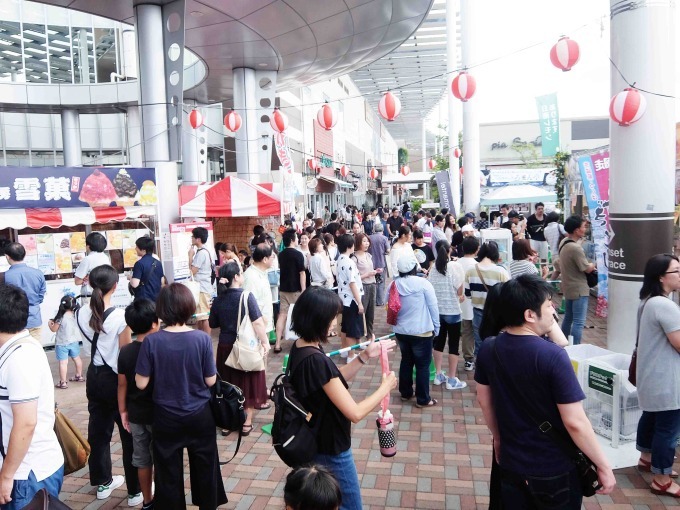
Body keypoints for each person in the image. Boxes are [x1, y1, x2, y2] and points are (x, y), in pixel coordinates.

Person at [475, 275, 615, 508]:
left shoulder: (489, 347)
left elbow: (484, 401)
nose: (553, 311)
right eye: (548, 305)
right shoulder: (552, 356)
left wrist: (498, 439)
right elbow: (575, 422)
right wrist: (603, 465)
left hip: (512, 463)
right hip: (553, 469)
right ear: (530, 315)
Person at [287, 287, 397, 510]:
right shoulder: (314, 360)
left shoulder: (301, 348)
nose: (335, 325)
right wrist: (384, 388)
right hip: (331, 448)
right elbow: (354, 413)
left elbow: (331, 381)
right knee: (350, 505)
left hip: (318, 440)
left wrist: (365, 356)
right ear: (317, 321)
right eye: (331, 319)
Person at [136, 284, 226, 509]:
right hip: (200, 414)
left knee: (167, 473)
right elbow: (210, 381)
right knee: (206, 467)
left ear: (161, 310)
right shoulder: (202, 339)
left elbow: (141, 382)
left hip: (166, 417)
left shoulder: (151, 341)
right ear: (189, 307)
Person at [76, 265, 140, 504]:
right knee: (128, 435)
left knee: (98, 432)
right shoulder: (120, 317)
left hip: (94, 379)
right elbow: (124, 354)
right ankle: (135, 490)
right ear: (115, 286)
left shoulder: (82, 312)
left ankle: (103, 483)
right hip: (116, 381)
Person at [0, 284, 63, 509]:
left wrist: (6, 476)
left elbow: (26, 423)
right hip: (24, 470)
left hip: (26, 473)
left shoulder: (20, 358)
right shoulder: (18, 348)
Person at [635, 254, 680, 497]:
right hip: (667, 377)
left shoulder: (648, 301)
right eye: (676, 270)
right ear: (661, 276)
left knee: (652, 417)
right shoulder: (664, 305)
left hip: (651, 374)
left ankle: (646, 457)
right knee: (668, 429)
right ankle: (661, 478)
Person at [209, 262, 270, 436]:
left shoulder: (219, 299)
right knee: (249, 382)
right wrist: (265, 342)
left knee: (228, 384)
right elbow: (257, 322)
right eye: (241, 273)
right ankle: (246, 422)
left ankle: (228, 422)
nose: (242, 275)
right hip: (245, 347)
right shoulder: (246, 296)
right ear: (236, 277)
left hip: (225, 347)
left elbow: (213, 324)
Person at [118, 299, 159, 510]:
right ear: (154, 323)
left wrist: (123, 410)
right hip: (158, 414)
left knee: (142, 458)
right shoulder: (159, 347)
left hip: (136, 415)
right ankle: (163, 498)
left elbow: (122, 385)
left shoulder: (125, 352)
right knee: (160, 456)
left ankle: (147, 500)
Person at [392, 256, 440, 407]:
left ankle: (405, 393)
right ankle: (423, 399)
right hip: (422, 331)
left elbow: (391, 305)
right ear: (414, 268)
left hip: (401, 330)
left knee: (406, 360)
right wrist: (436, 327)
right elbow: (433, 306)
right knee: (422, 365)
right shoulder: (423, 284)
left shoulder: (394, 284)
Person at [428, 240, 466, 390]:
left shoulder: (433, 268)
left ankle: (438, 375)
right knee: (454, 345)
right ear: (450, 249)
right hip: (453, 312)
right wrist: (461, 296)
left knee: (438, 342)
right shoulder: (455, 267)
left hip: (438, 311)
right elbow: (460, 292)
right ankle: (451, 379)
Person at [464, 242, 509, 360]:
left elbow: (468, 294)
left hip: (478, 312)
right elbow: (508, 295)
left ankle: (481, 369)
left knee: (480, 344)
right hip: (496, 313)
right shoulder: (501, 272)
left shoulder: (470, 270)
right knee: (497, 342)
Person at [559, 216, 596, 345]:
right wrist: (595, 264)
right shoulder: (575, 248)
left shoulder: (564, 242)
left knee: (568, 318)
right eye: (583, 227)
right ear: (576, 230)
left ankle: (563, 343)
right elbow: (586, 268)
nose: (585, 229)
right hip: (579, 288)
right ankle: (576, 347)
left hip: (568, 286)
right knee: (579, 322)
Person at [4, 242, 46, 341]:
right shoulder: (38, 273)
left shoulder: (4, 277)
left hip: (14, 321)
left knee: (18, 352)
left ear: (7, 257)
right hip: (35, 319)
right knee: (35, 350)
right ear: (24, 254)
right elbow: (41, 296)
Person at [275, 229, 306, 353]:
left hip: (283, 289)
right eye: (297, 238)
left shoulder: (281, 254)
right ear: (293, 240)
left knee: (282, 315)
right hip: (295, 290)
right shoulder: (298, 254)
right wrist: (303, 289)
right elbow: (302, 273)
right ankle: (302, 342)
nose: (298, 240)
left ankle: (277, 343)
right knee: (300, 315)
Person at [336, 234, 364, 363]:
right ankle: (351, 355)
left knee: (345, 327)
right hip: (352, 299)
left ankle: (345, 350)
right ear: (349, 246)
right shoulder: (349, 262)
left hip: (343, 297)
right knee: (351, 329)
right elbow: (353, 283)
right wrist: (359, 302)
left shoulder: (340, 260)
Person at [48, 295, 84, 389]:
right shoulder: (75, 315)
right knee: (77, 359)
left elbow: (54, 329)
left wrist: (50, 324)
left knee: (63, 363)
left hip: (62, 343)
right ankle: (79, 376)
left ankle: (63, 382)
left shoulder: (61, 317)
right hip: (74, 342)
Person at [242, 242, 275, 343]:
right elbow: (250, 306)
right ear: (265, 259)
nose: (273, 258)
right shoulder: (251, 277)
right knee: (259, 356)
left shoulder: (262, 272)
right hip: (256, 329)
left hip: (264, 326)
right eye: (272, 256)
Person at [458, 237, 480, 372]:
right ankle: (480, 359)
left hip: (461, 305)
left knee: (466, 333)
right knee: (479, 333)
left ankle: (468, 360)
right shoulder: (478, 265)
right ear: (477, 249)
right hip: (478, 305)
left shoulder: (455, 263)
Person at [352, 234, 378, 341]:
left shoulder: (368, 255)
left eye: (367, 241)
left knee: (371, 313)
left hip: (372, 285)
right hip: (362, 287)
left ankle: (369, 336)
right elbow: (353, 278)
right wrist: (367, 275)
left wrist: (375, 272)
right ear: (358, 243)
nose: (366, 243)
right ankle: (358, 338)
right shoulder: (354, 258)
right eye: (364, 241)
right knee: (361, 313)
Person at [188, 227, 214, 335]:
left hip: (202, 288)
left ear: (198, 239)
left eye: (193, 237)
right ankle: (202, 337)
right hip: (203, 287)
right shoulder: (204, 251)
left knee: (204, 315)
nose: (192, 238)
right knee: (200, 315)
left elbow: (192, 271)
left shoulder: (201, 253)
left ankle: (206, 339)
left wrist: (190, 256)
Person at [74, 232, 110, 302]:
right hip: (104, 294)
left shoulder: (88, 259)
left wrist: (87, 277)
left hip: (90, 295)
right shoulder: (105, 257)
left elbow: (77, 281)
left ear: (88, 246)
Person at [128, 236, 166, 302]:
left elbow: (134, 284)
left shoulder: (139, 264)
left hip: (144, 300)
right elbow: (162, 281)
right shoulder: (158, 263)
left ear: (143, 250)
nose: (135, 249)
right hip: (156, 299)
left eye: (137, 247)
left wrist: (130, 278)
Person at [368, 223, 390, 306]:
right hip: (381, 263)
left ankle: (372, 301)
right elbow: (388, 250)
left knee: (372, 282)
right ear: (382, 230)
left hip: (371, 263)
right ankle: (379, 301)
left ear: (374, 230)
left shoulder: (369, 238)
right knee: (381, 282)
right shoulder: (384, 238)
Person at [544, 211, 566, 279]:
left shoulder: (545, 229)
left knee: (557, 271)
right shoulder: (559, 226)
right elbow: (567, 236)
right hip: (561, 254)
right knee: (565, 273)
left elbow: (547, 240)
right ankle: (563, 288)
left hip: (553, 255)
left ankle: (549, 284)